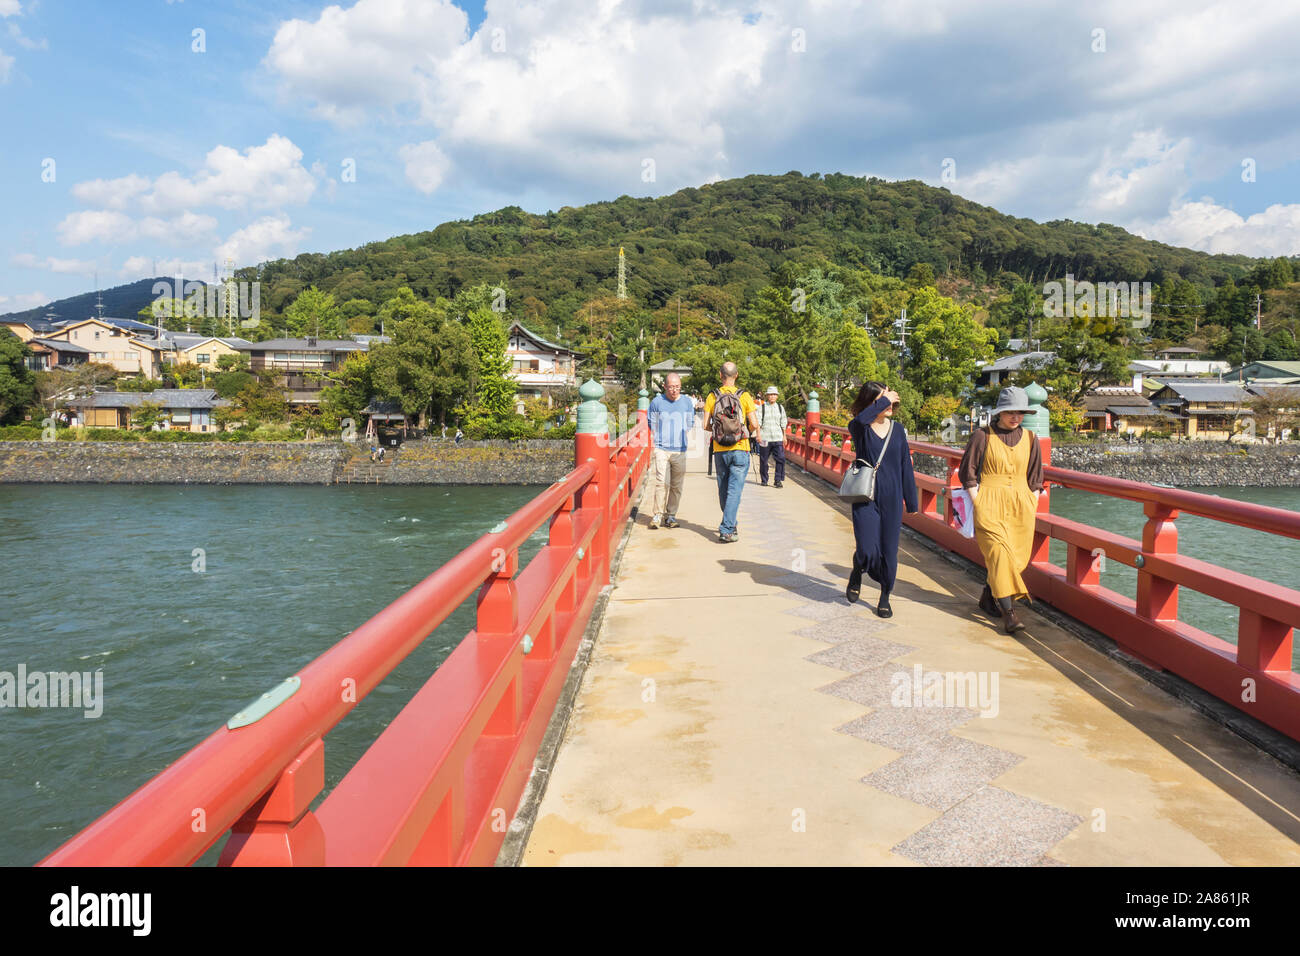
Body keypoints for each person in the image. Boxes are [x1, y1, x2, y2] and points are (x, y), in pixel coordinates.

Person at [958, 385, 1045, 634]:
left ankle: (988, 597)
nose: (1015, 417)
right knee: (998, 554)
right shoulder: (982, 435)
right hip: (989, 502)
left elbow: (1036, 476)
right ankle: (1009, 614)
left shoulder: (1030, 439)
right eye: (1010, 412)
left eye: (1019, 412)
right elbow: (968, 471)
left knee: (1015, 559)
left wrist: (1032, 500)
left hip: (1021, 506)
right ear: (1000, 413)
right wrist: (978, 501)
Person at [845, 381, 918, 618]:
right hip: (866, 495)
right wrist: (882, 401)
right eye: (881, 400)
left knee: (889, 551)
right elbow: (857, 421)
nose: (889, 404)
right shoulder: (861, 428)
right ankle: (859, 566)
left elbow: (905, 465)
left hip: (892, 497)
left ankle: (885, 595)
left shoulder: (897, 430)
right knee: (866, 549)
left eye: (889, 399)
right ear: (870, 403)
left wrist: (912, 500)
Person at [703, 361, 760, 543]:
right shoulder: (744, 396)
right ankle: (727, 528)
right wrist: (745, 431)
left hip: (720, 450)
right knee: (734, 491)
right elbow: (755, 423)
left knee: (724, 490)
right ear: (736, 375)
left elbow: (705, 425)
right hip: (740, 448)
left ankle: (730, 524)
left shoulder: (713, 396)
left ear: (720, 375)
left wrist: (720, 431)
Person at [646, 373, 695, 529]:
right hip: (661, 448)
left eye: (677, 387)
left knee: (676, 485)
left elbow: (690, 422)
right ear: (665, 386)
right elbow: (651, 423)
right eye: (671, 387)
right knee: (662, 482)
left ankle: (671, 516)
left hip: (680, 449)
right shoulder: (657, 402)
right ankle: (657, 515)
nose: (675, 390)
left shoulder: (687, 402)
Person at [756, 385, 788, 487]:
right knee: (764, 460)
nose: (772, 396)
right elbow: (758, 423)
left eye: (774, 394)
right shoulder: (762, 408)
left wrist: (784, 436)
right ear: (767, 396)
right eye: (770, 395)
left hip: (777, 437)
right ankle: (764, 480)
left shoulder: (780, 407)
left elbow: (783, 422)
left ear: (777, 396)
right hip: (765, 438)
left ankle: (778, 480)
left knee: (781, 458)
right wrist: (758, 435)